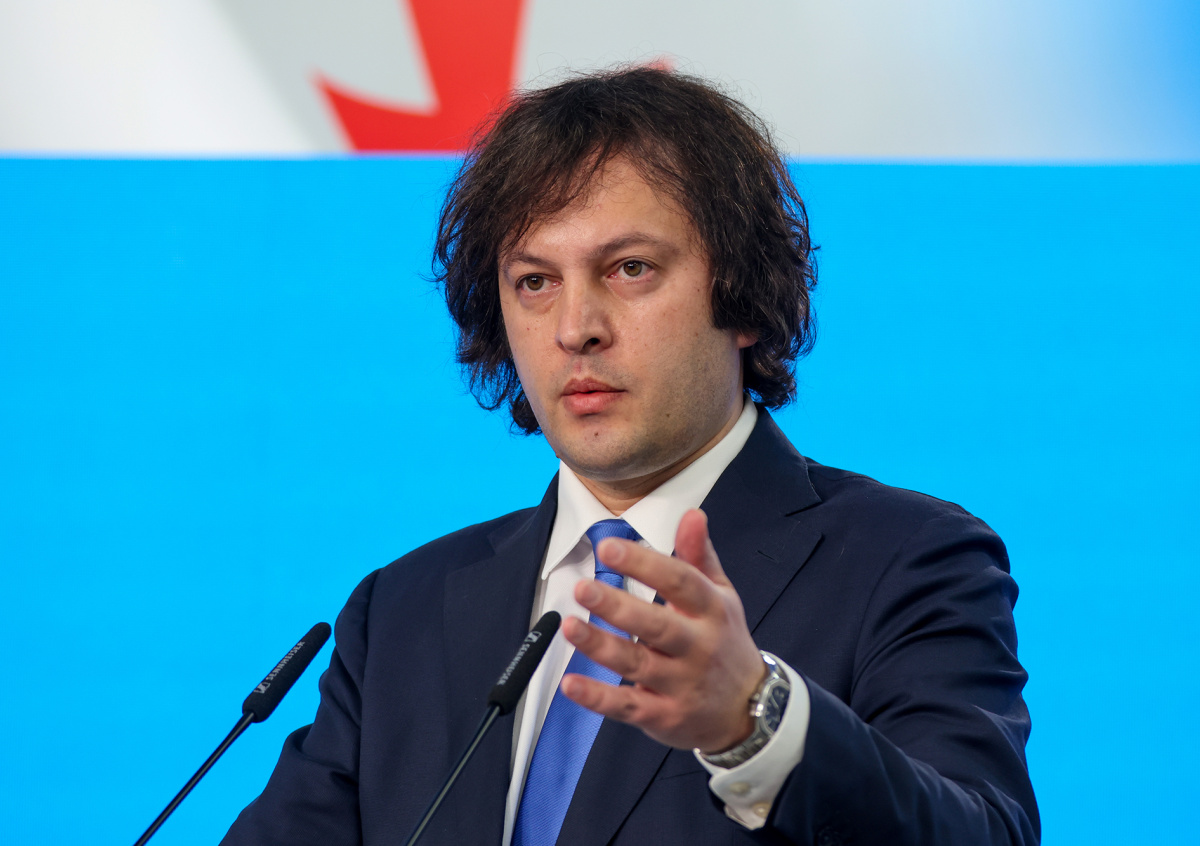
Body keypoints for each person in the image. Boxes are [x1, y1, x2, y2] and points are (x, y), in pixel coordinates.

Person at [222, 67, 1038, 845]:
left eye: (629, 269)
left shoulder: (907, 561)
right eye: (535, 281)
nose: (575, 327)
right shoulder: (403, 610)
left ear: (744, 296)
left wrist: (755, 722)